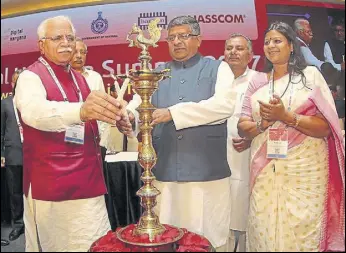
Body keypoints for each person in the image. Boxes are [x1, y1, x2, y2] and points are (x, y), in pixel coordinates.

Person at [119, 16, 237, 250]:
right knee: (167, 237)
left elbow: (224, 106)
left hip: (206, 172)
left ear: (198, 40)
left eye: (183, 36)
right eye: (171, 37)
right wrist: (129, 118)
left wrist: (173, 113)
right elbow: (137, 104)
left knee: (208, 237)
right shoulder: (157, 73)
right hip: (164, 170)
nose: (177, 42)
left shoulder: (217, 68)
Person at [15, 15, 125, 252]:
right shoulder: (30, 76)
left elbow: (94, 119)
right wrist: (82, 111)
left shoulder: (81, 79)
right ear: (41, 44)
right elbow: (35, 113)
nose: (66, 43)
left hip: (89, 179)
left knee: (95, 242)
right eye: (57, 38)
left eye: (70, 37)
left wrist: (120, 120)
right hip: (52, 184)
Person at [238, 21, 345, 252]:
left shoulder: (310, 77)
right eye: (267, 42)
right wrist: (263, 124)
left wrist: (287, 117)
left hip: (306, 171)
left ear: (292, 46)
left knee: (303, 229)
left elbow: (326, 127)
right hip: (265, 170)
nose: (271, 45)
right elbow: (242, 126)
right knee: (263, 222)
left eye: (277, 40)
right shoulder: (257, 81)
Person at [223, 33, 258, 252]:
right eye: (229, 48)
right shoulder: (215, 80)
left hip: (245, 155)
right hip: (215, 156)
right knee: (221, 211)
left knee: (242, 208)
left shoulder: (260, 80)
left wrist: (251, 138)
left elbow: (268, 121)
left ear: (250, 55)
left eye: (239, 48)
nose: (233, 52)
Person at [1, 69, 25, 242]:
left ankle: (34, 224)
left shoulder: (32, 103)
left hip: (34, 154)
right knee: (15, 192)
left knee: (34, 192)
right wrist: (1, 153)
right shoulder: (5, 103)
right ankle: (18, 224)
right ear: (12, 84)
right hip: (13, 153)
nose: (19, 84)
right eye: (16, 81)